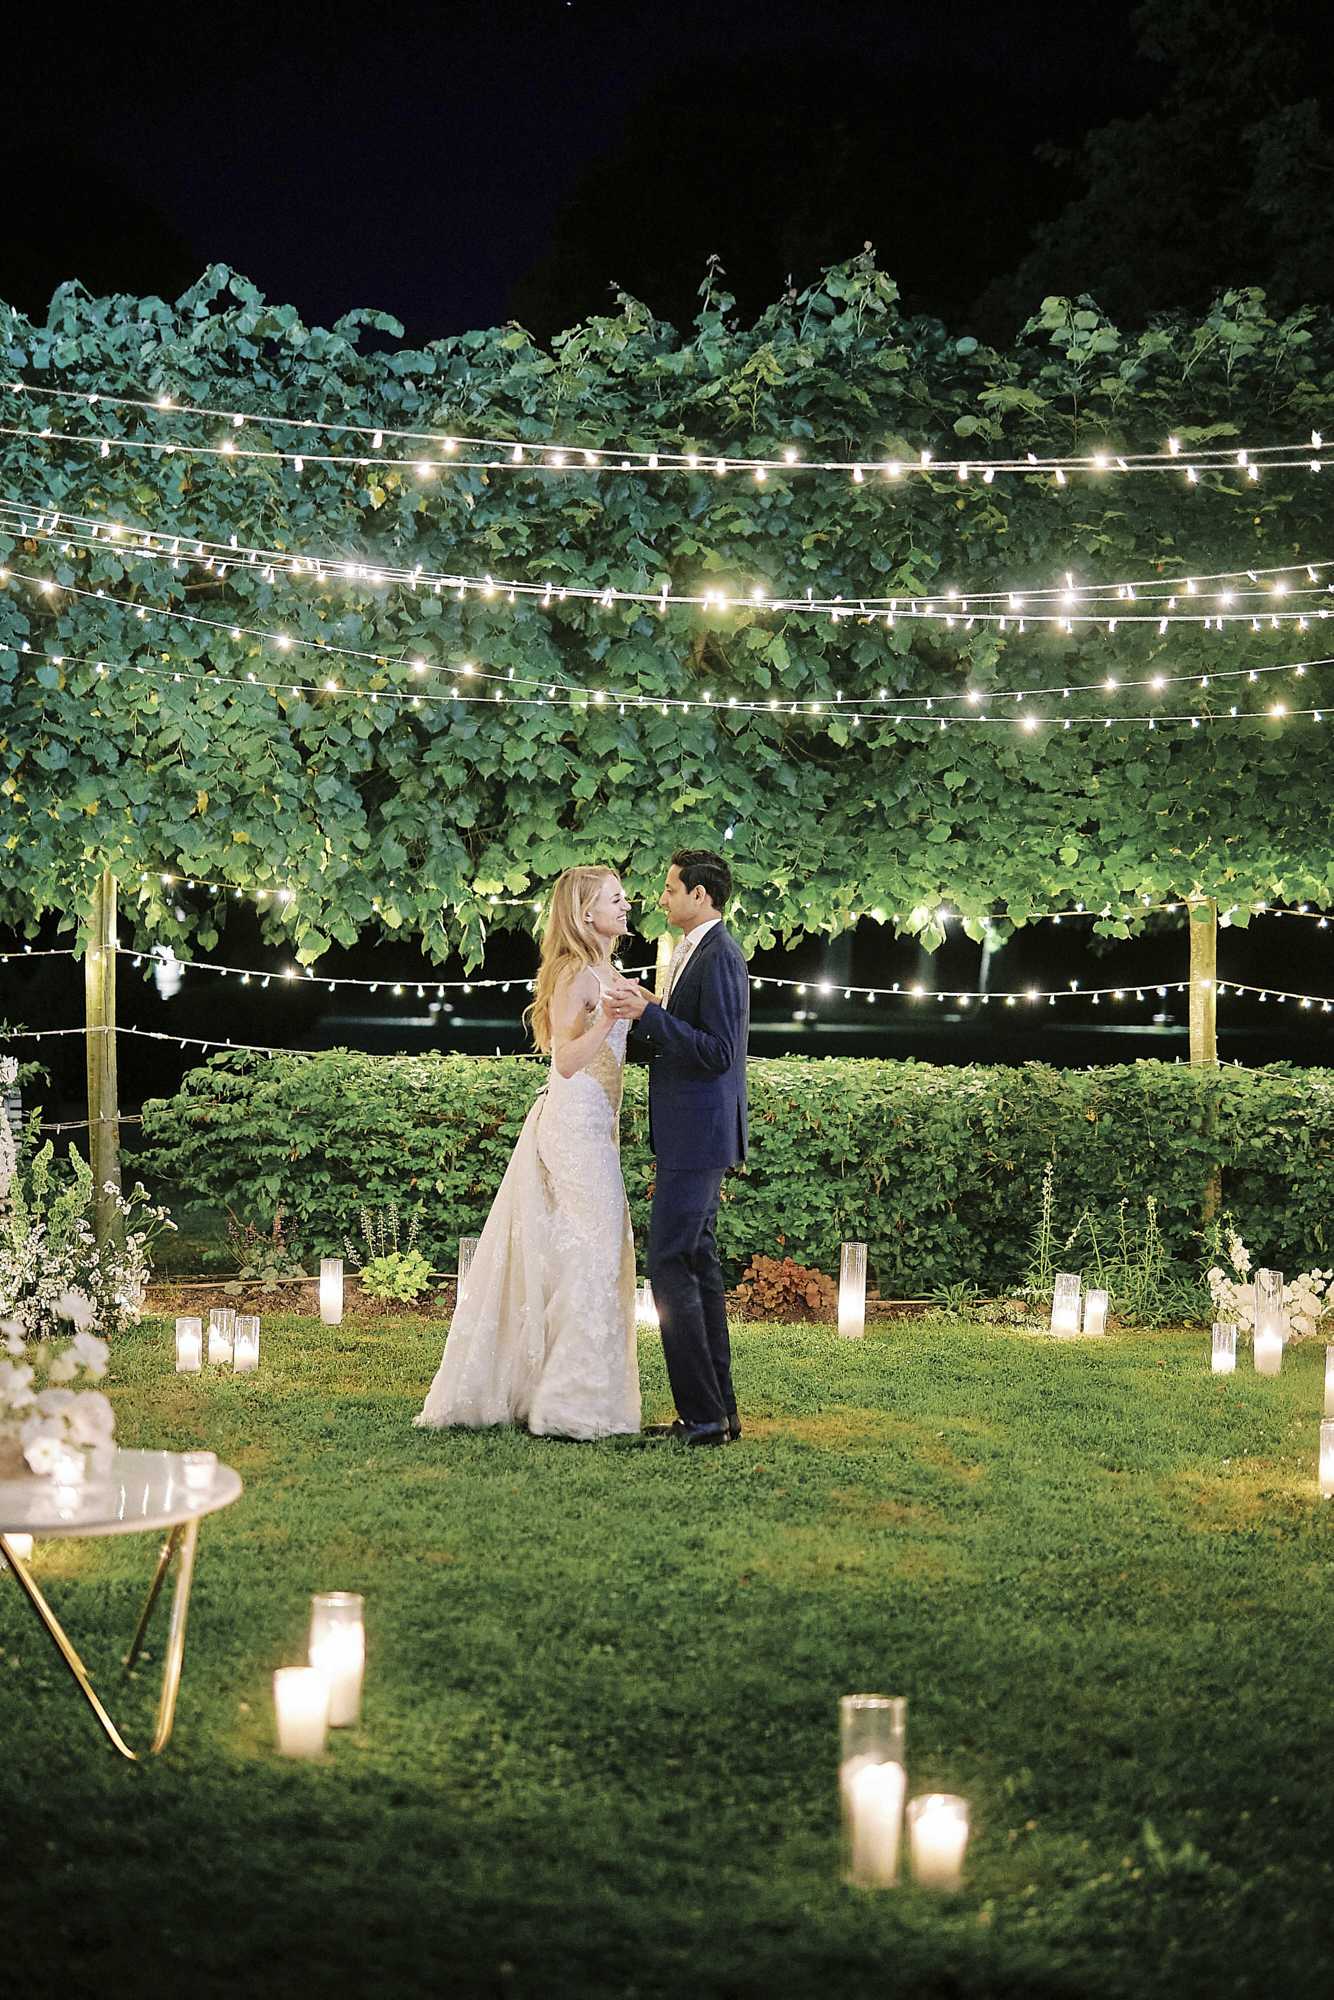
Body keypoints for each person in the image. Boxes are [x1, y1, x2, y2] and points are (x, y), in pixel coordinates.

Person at [414, 866, 640, 1441]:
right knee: (593, 1246)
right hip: (575, 1119)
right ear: (586, 913)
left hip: (599, 1124)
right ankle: (570, 1402)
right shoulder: (574, 974)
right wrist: (610, 1017)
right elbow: (565, 1059)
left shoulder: (610, 969)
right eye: (614, 898)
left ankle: (569, 1388)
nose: (626, 903)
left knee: (593, 1246)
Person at [605, 849, 749, 1446]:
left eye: (670, 890)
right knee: (696, 1266)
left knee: (669, 1264)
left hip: (700, 1135)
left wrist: (651, 1015)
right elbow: (687, 1038)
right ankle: (718, 1413)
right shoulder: (693, 952)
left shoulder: (720, 955)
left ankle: (704, 1417)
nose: (661, 899)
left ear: (701, 897)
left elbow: (720, 1052)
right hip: (691, 1134)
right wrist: (650, 1013)